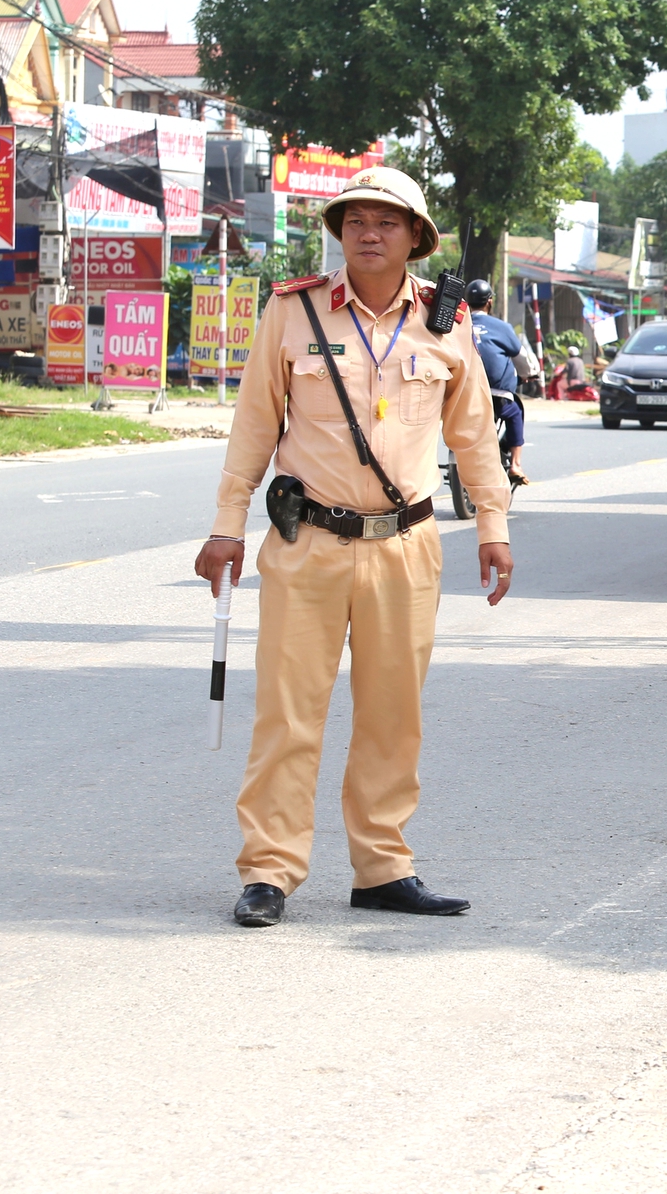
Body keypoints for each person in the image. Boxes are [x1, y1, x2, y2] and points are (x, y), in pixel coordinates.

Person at [194, 166, 514, 929]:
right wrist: (226, 524)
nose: (369, 234)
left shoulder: (447, 322)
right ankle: (269, 870)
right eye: (356, 221)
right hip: (308, 543)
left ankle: (382, 867)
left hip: (406, 545)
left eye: (388, 222)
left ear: (416, 238)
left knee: (392, 717)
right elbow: (253, 427)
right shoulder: (293, 313)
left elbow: (473, 435)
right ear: (340, 232)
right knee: (287, 713)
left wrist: (495, 527)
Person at [466, 279, 530, 485]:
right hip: (497, 395)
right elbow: (522, 359)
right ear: (490, 302)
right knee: (515, 411)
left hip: (462, 395)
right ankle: (516, 465)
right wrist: (529, 374)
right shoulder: (502, 327)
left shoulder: (456, 324)